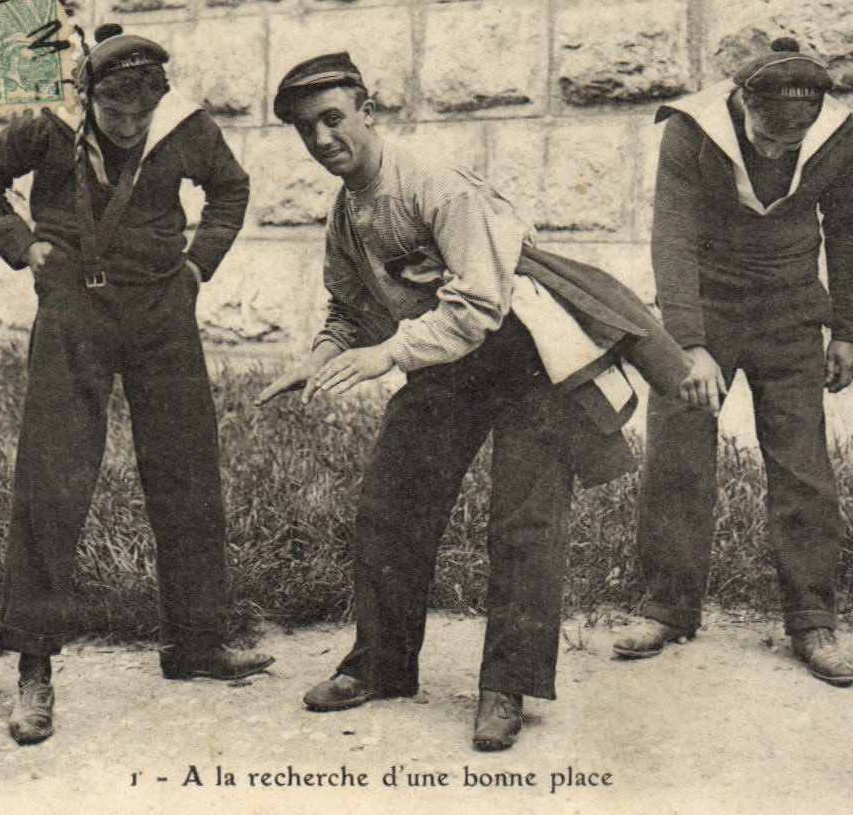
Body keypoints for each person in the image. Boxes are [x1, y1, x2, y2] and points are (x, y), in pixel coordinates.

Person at [258, 53, 689, 751]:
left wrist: (386, 356)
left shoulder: (435, 184)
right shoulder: (345, 213)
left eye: (332, 119)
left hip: (522, 354)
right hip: (447, 361)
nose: (321, 138)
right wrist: (319, 358)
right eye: (306, 128)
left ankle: (506, 688)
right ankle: (380, 664)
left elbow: (479, 305)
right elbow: (348, 309)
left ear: (368, 111)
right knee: (389, 504)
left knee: (524, 520)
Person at [0, 24, 271, 746]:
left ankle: (196, 643)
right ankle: (34, 667)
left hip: (162, 308)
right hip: (75, 309)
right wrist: (22, 245)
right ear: (87, 95)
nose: (129, 126)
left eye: (141, 113)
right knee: (53, 478)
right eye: (114, 112)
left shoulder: (184, 126)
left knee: (187, 469)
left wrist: (198, 266)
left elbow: (230, 188)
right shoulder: (46, 127)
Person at [615, 37, 853, 687]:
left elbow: (849, 230)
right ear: (740, 102)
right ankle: (667, 607)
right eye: (766, 137)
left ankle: (811, 618)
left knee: (802, 463)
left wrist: (847, 331)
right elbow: (671, 235)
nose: (778, 152)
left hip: (791, 310)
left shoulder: (839, 134)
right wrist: (688, 342)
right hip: (708, 306)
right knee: (677, 454)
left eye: (793, 141)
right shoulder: (689, 130)